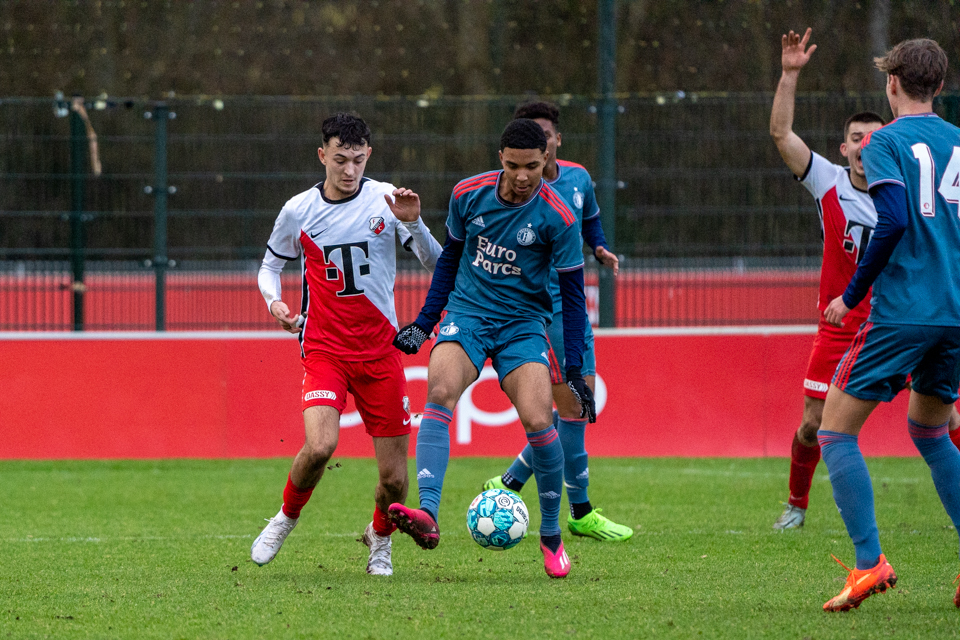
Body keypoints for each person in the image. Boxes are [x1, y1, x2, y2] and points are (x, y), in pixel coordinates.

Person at [390, 118, 597, 578]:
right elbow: (449, 261)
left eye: (534, 166)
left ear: (548, 159)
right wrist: (425, 324)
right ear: (499, 158)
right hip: (467, 313)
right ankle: (427, 514)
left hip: (523, 326)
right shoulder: (468, 194)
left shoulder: (560, 216)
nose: (523, 176)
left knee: (540, 420)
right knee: (440, 391)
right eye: (513, 165)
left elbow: (574, 299)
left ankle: (550, 537)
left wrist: (577, 371)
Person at [250, 113, 442, 577]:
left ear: (368, 156)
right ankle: (285, 518)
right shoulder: (298, 210)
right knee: (320, 446)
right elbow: (269, 268)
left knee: (395, 480)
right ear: (322, 156)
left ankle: (379, 540)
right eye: (340, 159)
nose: (349, 169)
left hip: (380, 353)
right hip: (324, 349)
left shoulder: (386, 199)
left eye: (357, 159)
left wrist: (414, 224)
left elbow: (437, 262)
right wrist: (275, 303)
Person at [817, 39, 960, 611]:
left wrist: (851, 295)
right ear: (941, 88)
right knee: (930, 431)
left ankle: (869, 563)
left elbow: (895, 218)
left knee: (834, 431)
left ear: (892, 85)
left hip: (904, 311)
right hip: (954, 314)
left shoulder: (884, 142)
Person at [481, 101, 632, 542]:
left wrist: (600, 249)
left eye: (546, 138)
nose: (540, 148)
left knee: (575, 410)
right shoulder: (506, 192)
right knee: (572, 408)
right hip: (535, 310)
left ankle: (509, 482)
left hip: (573, 307)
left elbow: (592, 222)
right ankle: (580, 511)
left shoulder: (578, 179)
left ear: (555, 143)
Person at [768, 28, 886, 530]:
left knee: (944, 418)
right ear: (845, 147)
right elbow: (781, 135)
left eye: (875, 138)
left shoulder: (902, 192)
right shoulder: (829, 182)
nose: (865, 145)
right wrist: (789, 75)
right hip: (839, 324)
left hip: (893, 322)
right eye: (857, 138)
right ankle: (796, 505)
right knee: (813, 424)